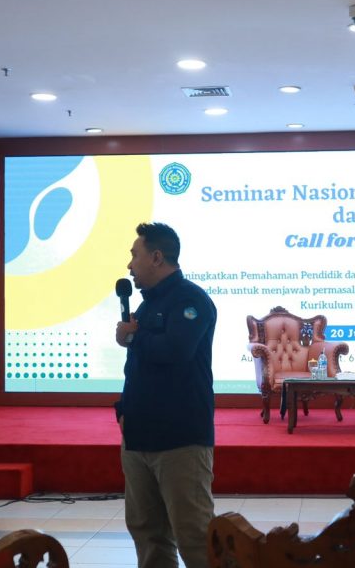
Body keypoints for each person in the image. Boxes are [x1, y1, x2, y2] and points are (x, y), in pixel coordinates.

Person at [114, 222, 217, 568]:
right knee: (147, 533)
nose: (130, 265)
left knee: (195, 536)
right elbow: (138, 369)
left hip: (180, 439)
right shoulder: (145, 307)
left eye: (135, 255)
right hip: (139, 436)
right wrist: (123, 410)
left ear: (156, 257)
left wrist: (132, 336)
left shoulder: (191, 300)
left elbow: (176, 351)